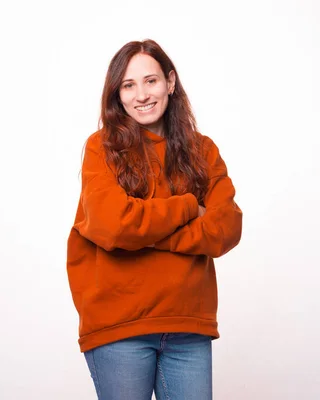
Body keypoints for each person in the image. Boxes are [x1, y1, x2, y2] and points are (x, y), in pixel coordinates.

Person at [66, 39, 243, 400]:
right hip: (120, 327)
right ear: (117, 94)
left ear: (171, 82)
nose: (141, 94)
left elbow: (226, 228)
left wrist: (142, 232)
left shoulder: (203, 150)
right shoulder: (102, 149)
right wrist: (189, 208)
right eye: (128, 85)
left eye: (151, 81)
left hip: (188, 325)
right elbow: (114, 225)